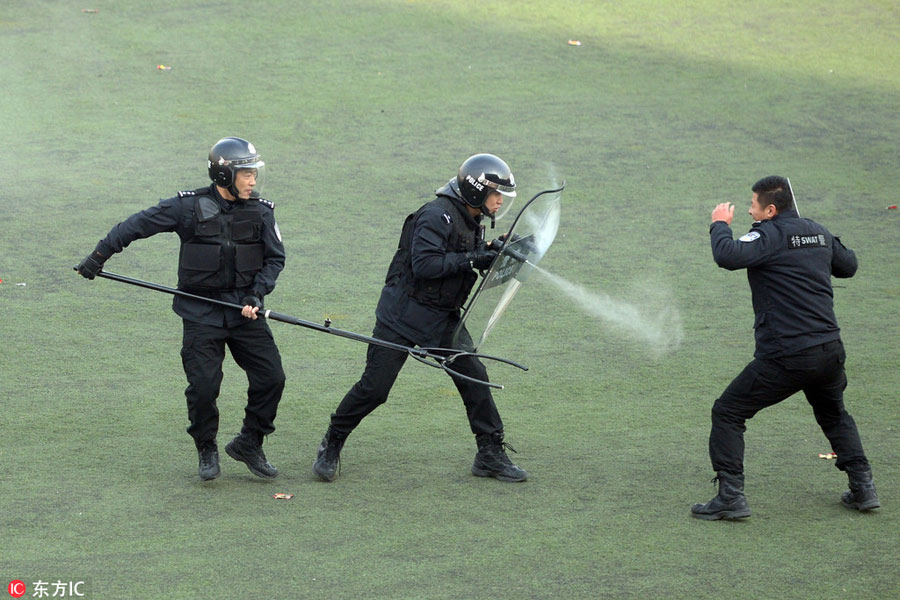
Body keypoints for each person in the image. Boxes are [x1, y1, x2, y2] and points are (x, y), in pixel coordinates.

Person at [75, 137, 287, 481]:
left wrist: (256, 295)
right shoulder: (186, 207)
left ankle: (251, 441)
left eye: (253, 174)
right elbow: (135, 225)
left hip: (244, 310)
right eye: (246, 174)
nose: (252, 181)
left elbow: (275, 259)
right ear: (223, 175)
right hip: (200, 312)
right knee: (204, 386)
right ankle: (206, 446)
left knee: (272, 377)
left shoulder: (262, 210)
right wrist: (99, 257)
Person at [311, 153, 528, 483]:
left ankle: (489, 453)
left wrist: (490, 253)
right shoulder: (434, 216)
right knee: (375, 389)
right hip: (401, 316)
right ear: (474, 191)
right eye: (495, 193)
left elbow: (460, 257)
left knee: (474, 376)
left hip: (442, 317)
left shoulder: (470, 218)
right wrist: (475, 256)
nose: (499, 201)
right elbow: (426, 265)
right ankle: (333, 441)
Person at [692, 175, 879, 520]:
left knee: (728, 412)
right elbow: (848, 266)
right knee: (835, 414)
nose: (750, 211)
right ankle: (863, 488)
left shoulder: (769, 235)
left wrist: (719, 224)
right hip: (829, 351)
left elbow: (728, 255)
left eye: (753, 206)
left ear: (772, 209)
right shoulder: (818, 232)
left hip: (787, 355)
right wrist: (818, 242)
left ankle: (730, 497)